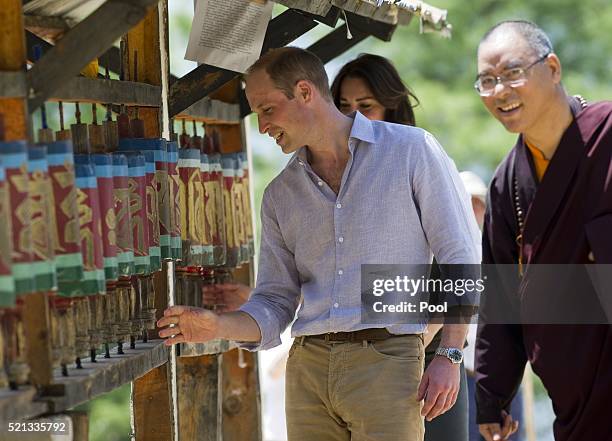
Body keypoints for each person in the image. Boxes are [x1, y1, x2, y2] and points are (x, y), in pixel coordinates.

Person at [158, 47, 481, 441]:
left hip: (388, 360)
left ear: (305, 92)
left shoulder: (412, 151)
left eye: (267, 109)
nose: (262, 126)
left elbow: (460, 257)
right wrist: (218, 326)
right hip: (307, 369)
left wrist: (450, 353)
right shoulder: (280, 194)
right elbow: (275, 301)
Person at [473, 20, 612, 441]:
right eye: (487, 81)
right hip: (574, 398)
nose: (500, 91)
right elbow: (499, 297)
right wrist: (491, 395)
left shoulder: (607, 134)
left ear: (552, 68)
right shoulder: (507, 184)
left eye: (514, 73)